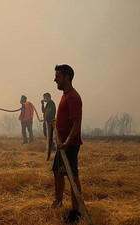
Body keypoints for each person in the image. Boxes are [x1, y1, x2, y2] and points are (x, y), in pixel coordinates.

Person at [52, 64, 83, 224]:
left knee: (72, 177)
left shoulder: (73, 97)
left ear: (67, 78)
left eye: (58, 77)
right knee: (57, 172)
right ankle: (58, 203)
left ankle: (76, 212)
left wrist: (66, 142)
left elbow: (76, 124)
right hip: (62, 144)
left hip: (69, 145)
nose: (55, 79)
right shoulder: (65, 95)